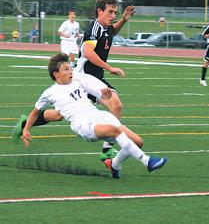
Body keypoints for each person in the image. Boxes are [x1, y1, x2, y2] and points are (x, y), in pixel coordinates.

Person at [13, 0, 135, 161]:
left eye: (115, 12)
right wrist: (110, 68)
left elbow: (111, 32)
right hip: (84, 76)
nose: (113, 16)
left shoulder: (106, 27)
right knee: (116, 104)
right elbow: (88, 52)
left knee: (58, 114)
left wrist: (124, 19)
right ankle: (107, 149)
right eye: (110, 12)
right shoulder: (93, 28)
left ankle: (24, 124)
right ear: (99, 11)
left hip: (94, 76)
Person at [21, 53, 167, 178]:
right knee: (115, 131)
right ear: (56, 74)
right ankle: (147, 161)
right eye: (66, 69)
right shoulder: (49, 92)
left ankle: (114, 165)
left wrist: (105, 94)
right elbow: (35, 112)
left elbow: (98, 91)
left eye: (70, 67)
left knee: (137, 142)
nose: (71, 71)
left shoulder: (77, 80)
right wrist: (26, 129)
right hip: (83, 124)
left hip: (98, 115)